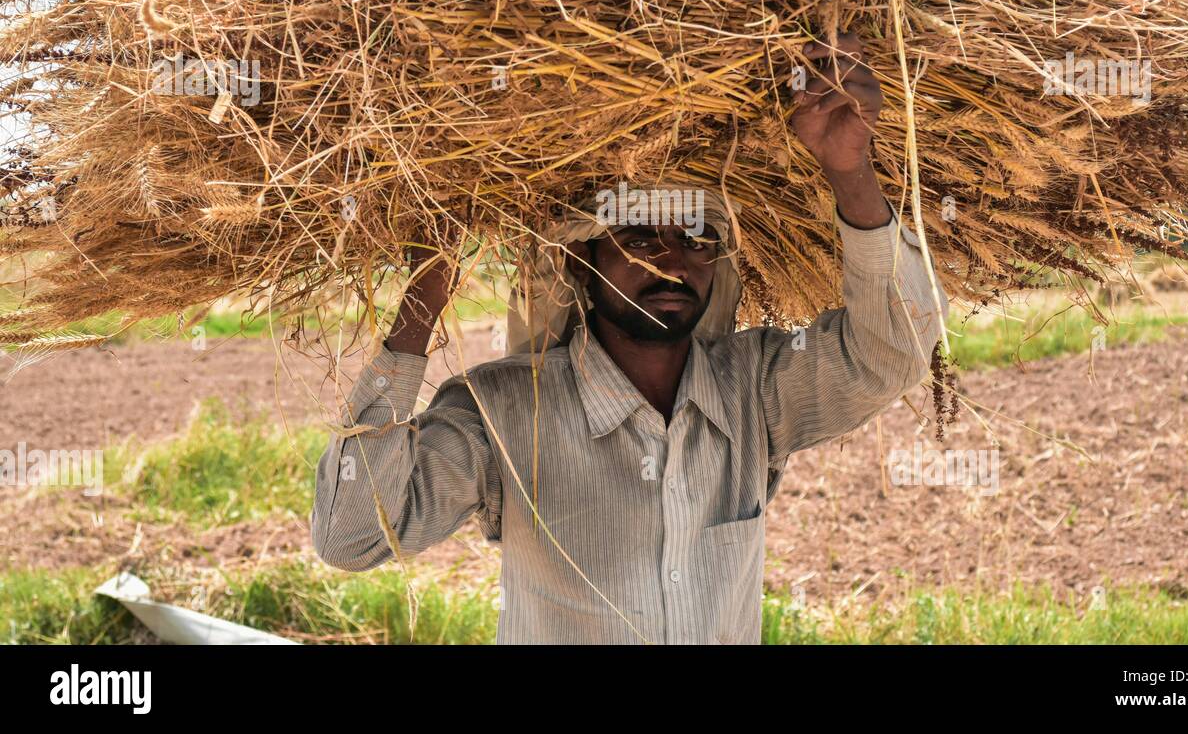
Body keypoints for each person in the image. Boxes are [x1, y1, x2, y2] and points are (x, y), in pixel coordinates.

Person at [311, 33, 949, 643]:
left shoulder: (754, 390)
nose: (672, 263)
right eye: (639, 239)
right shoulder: (504, 413)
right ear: (580, 268)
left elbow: (892, 351)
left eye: (694, 240)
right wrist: (424, 296)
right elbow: (352, 538)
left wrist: (849, 169)